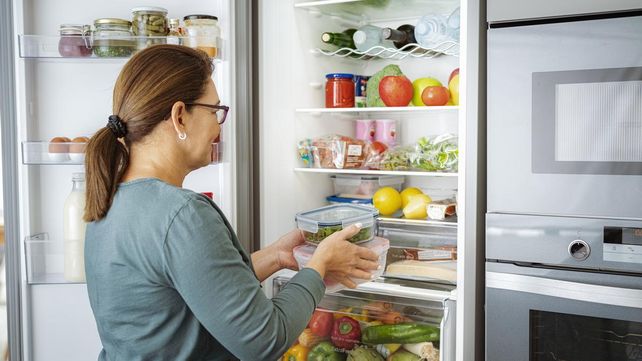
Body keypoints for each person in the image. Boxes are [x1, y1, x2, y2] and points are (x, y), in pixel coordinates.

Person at [82, 44, 380, 361]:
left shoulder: (111, 198)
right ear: (180, 116)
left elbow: (199, 293)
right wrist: (319, 267)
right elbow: (266, 340)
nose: (217, 127)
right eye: (214, 111)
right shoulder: (182, 214)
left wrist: (276, 257)